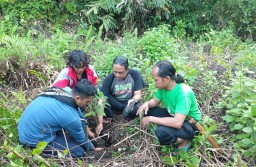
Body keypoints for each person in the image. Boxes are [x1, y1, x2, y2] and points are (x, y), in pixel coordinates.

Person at [18, 79, 103, 157]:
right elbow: (81, 137)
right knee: (79, 152)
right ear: (78, 98)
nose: (88, 104)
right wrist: (92, 148)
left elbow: (78, 112)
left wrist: (88, 131)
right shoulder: (70, 117)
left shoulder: (66, 91)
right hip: (32, 140)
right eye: (87, 101)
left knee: (70, 138)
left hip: (28, 128)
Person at [136, 60, 201, 153]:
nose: (154, 82)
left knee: (161, 132)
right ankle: (172, 130)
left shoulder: (183, 94)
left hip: (189, 124)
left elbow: (177, 123)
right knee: (149, 110)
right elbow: (155, 101)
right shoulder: (164, 87)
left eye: (156, 79)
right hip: (174, 116)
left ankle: (184, 140)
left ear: (166, 79)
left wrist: (151, 119)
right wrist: (146, 104)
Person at [52, 50, 104, 135]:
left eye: (83, 67)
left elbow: (93, 85)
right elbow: (56, 88)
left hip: (85, 96)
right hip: (72, 98)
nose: (80, 70)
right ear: (71, 64)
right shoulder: (66, 73)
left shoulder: (90, 69)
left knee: (100, 91)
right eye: (77, 67)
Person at [101, 56, 145, 122]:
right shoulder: (110, 78)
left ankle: (125, 112)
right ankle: (114, 114)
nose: (117, 75)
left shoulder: (135, 74)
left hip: (129, 103)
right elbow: (102, 98)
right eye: (115, 72)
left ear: (127, 70)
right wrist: (100, 121)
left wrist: (133, 100)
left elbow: (138, 95)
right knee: (99, 89)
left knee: (138, 109)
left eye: (120, 72)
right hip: (115, 102)